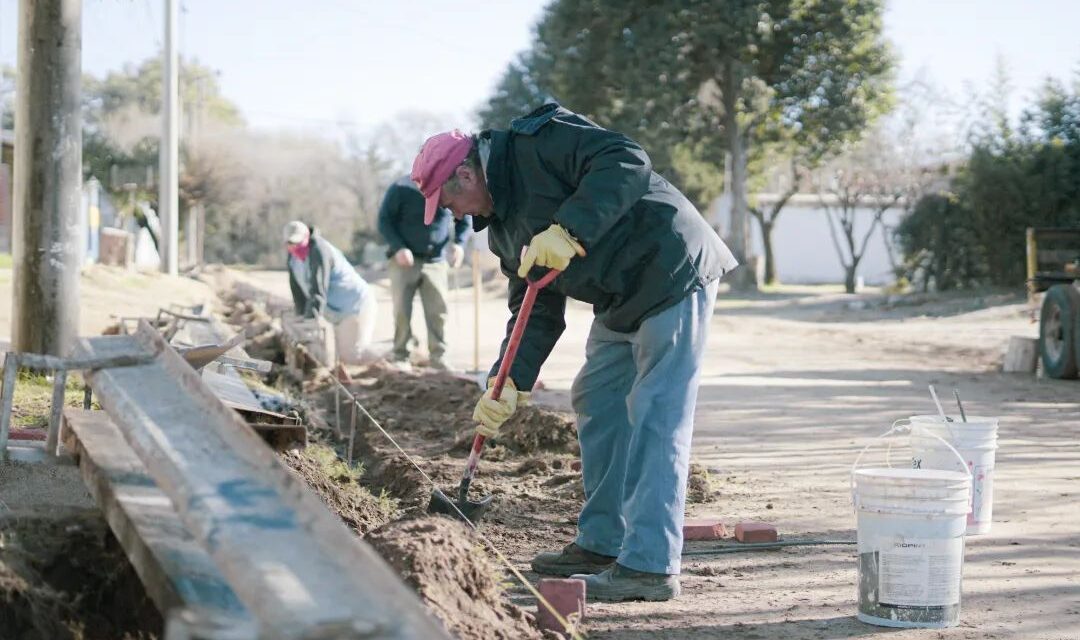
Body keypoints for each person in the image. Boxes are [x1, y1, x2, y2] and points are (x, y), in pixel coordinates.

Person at [410, 104, 738, 602]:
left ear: (465, 172)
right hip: (618, 297)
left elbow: (628, 160)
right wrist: (509, 379)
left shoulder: (537, 144)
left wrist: (570, 229)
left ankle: (650, 567)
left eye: (448, 201)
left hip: (670, 269)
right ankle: (603, 542)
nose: (452, 215)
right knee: (597, 399)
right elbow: (533, 305)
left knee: (656, 415)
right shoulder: (501, 228)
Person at [377, 175, 471, 370]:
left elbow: (465, 216)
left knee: (438, 311)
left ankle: (439, 356)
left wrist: (459, 244)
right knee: (402, 310)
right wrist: (398, 247)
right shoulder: (400, 188)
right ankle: (401, 355)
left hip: (436, 260)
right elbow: (384, 221)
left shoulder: (448, 185)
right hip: (404, 261)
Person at [283, 220, 377, 372]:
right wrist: (300, 315)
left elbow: (318, 288)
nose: (294, 247)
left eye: (298, 242)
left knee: (353, 355)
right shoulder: (292, 257)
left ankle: (396, 354)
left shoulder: (319, 251)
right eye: (290, 243)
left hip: (354, 304)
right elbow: (297, 289)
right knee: (337, 357)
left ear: (307, 236)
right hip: (335, 310)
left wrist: (310, 319)